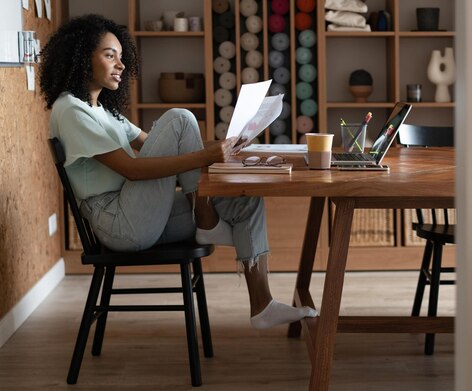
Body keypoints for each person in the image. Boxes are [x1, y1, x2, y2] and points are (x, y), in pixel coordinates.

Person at [39, 14, 317, 329]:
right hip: (119, 221)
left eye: (121, 56)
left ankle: (262, 305)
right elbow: (132, 170)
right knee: (180, 117)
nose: (121, 65)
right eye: (109, 55)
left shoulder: (102, 111)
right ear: (81, 57)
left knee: (246, 200)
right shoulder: (71, 110)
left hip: (134, 210)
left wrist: (229, 144)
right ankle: (205, 216)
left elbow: (164, 146)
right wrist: (204, 155)